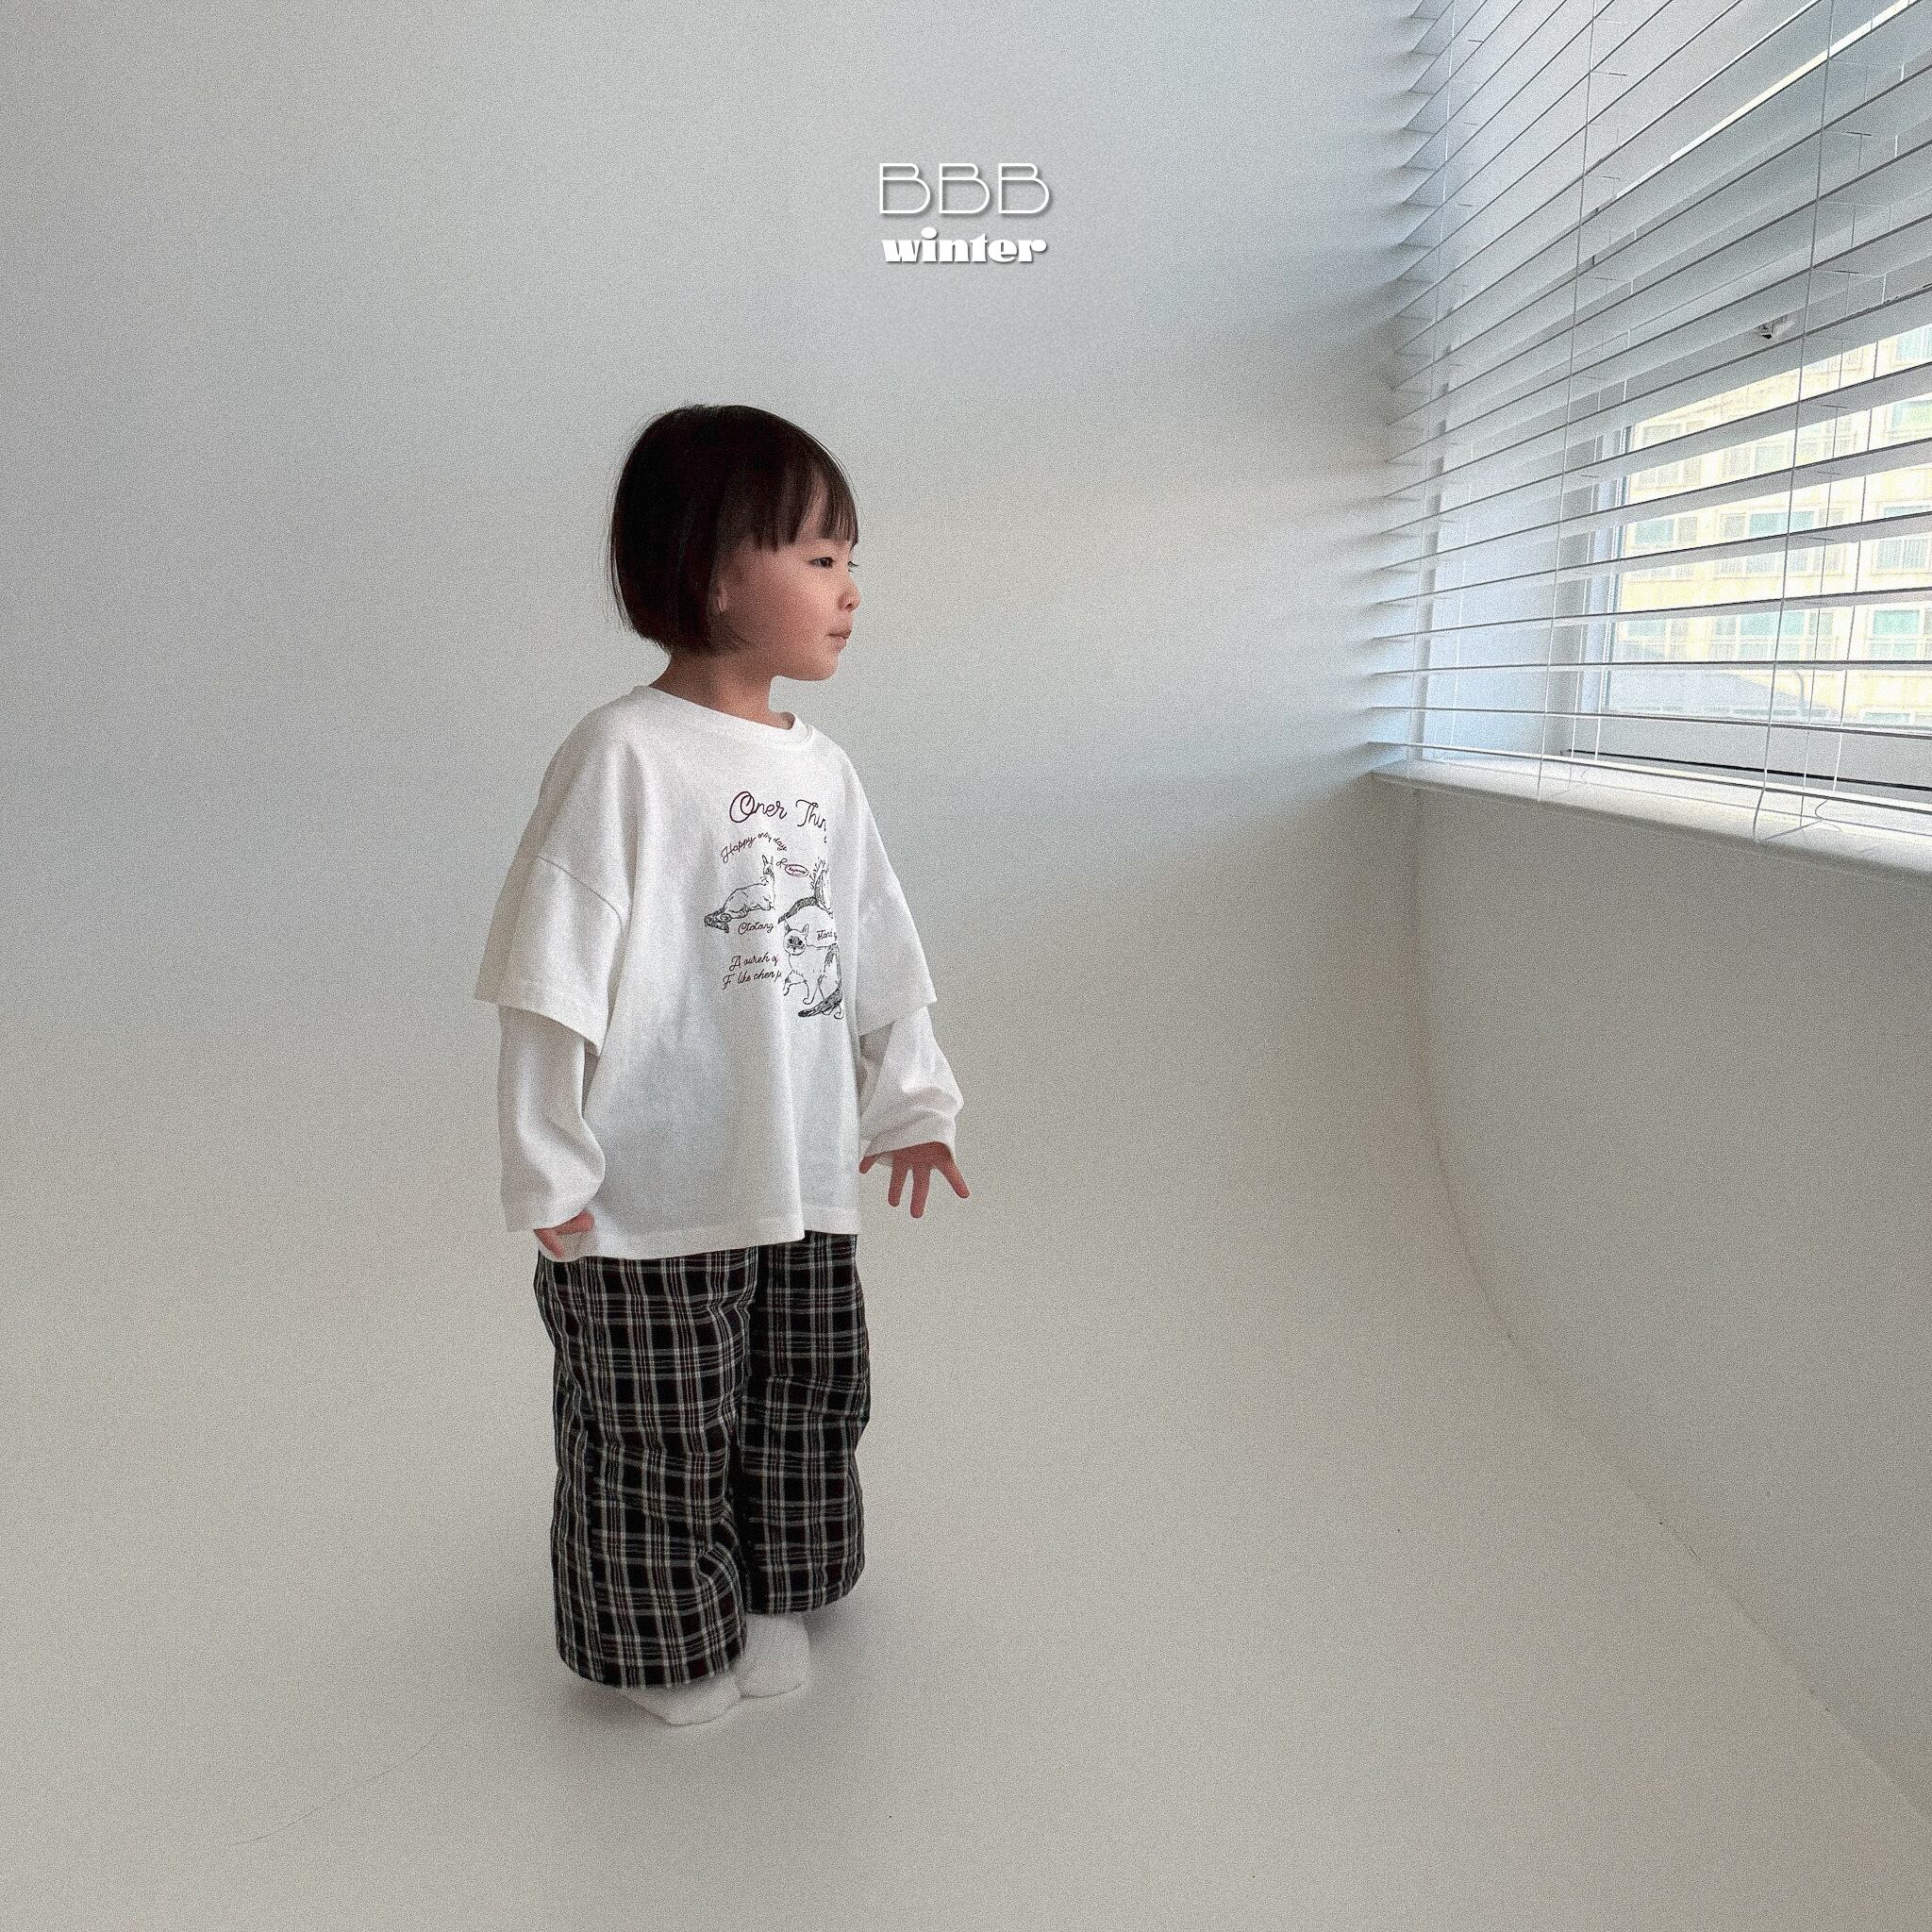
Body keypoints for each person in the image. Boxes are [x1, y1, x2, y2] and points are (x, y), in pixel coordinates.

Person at [474, 404, 968, 1727]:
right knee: (658, 1426)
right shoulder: (622, 757)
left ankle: (774, 1590)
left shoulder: (826, 772)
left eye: (851, 559)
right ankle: (662, 1643)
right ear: (712, 573)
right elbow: (547, 971)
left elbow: (879, 945)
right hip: (653, 1188)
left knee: (806, 1393)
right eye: (820, 558)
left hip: (798, 1173)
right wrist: (548, 1163)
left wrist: (911, 1099)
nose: (851, 591)